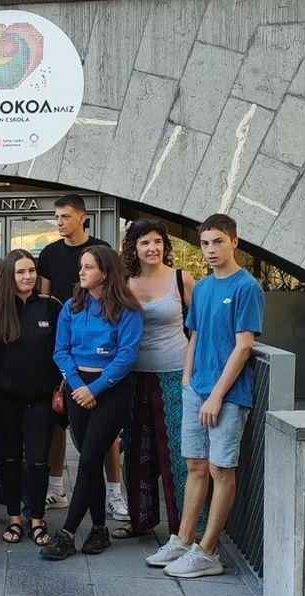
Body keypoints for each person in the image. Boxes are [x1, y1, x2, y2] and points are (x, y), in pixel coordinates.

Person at [146, 214, 263, 578]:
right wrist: (186, 380)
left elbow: (244, 346)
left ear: (234, 242)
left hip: (227, 396)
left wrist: (215, 396)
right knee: (195, 466)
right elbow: (193, 335)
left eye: (218, 242)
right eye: (206, 243)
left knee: (220, 469)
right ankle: (183, 539)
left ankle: (209, 550)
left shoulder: (247, 287)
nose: (211, 250)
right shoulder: (205, 287)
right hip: (196, 389)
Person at [42, 246, 142, 560]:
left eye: (88, 267)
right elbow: (61, 351)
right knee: (90, 458)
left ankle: (68, 532)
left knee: (87, 461)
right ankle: (99, 530)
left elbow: (126, 356)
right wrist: (76, 385)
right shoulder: (72, 306)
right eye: (81, 267)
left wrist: (95, 389)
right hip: (77, 389)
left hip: (111, 390)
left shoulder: (128, 309)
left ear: (106, 272)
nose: (81, 272)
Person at [36, 193, 126, 520]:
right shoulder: (49, 253)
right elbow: (45, 298)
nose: (59, 222)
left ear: (82, 217)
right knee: (58, 418)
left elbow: (117, 297)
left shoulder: (101, 249)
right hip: (64, 348)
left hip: (101, 363)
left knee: (106, 435)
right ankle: (56, 486)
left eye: (65, 216)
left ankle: (115, 492)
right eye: (56, 217)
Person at [115, 221, 198, 540]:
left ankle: (184, 527)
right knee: (136, 451)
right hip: (133, 375)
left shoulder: (181, 279)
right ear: (133, 248)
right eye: (144, 243)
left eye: (157, 242)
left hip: (175, 373)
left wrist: (192, 374)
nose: (152, 248)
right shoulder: (124, 282)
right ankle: (140, 520)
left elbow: (199, 329)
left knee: (177, 452)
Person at [0, 250, 62, 546]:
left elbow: (61, 350)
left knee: (38, 461)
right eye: (20, 271)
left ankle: (38, 518)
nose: (27, 276)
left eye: (31, 270)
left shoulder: (50, 308)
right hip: (5, 401)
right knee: (9, 460)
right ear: (9, 275)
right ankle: (15, 518)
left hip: (41, 400)